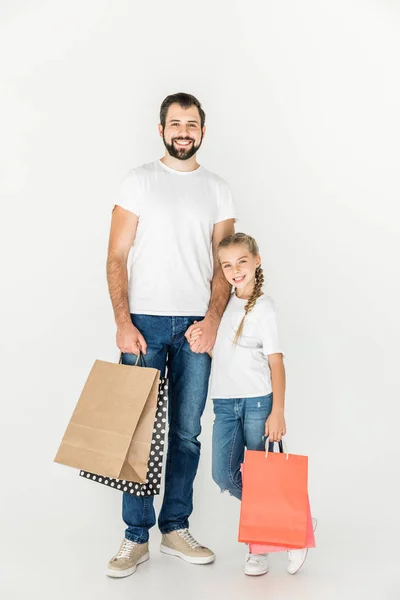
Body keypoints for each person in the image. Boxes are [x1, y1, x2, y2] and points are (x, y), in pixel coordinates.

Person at [105, 92, 236, 578]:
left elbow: (224, 263)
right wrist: (122, 321)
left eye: (192, 123)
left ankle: (175, 527)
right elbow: (116, 256)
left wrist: (213, 321)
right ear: (161, 129)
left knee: (186, 434)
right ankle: (135, 538)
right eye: (175, 123)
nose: (184, 131)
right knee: (133, 432)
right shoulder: (138, 181)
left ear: (203, 131)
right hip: (143, 323)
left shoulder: (218, 189)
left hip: (195, 329)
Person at [189, 232, 316, 576]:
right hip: (225, 404)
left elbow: (276, 362)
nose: (234, 270)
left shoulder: (265, 307)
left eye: (241, 262)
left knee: (262, 477)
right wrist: (202, 341)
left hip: (259, 403)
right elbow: (227, 354)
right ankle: (296, 522)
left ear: (256, 261)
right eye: (227, 265)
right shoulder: (223, 305)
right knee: (225, 475)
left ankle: (258, 550)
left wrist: (278, 410)